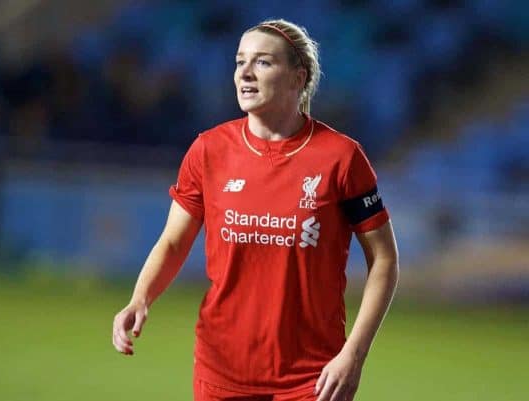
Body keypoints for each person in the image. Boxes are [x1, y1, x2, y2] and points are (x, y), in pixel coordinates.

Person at [112, 18, 399, 401]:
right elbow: (174, 242)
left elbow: (384, 260)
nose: (245, 72)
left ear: (298, 79)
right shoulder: (208, 150)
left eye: (263, 62)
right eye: (239, 61)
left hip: (313, 377)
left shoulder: (341, 158)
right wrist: (140, 298)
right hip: (222, 371)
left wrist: (354, 355)